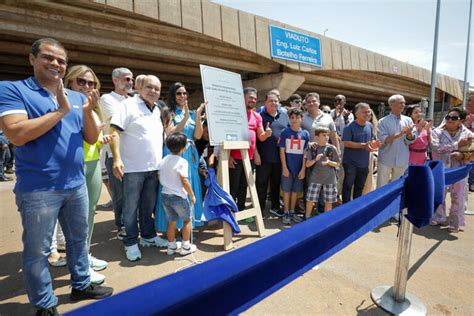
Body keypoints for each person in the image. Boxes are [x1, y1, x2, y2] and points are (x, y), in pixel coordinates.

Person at [0, 37, 112, 315]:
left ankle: (82, 284)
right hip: (39, 189)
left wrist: (86, 112)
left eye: (61, 60)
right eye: (48, 57)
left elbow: (91, 138)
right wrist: (61, 111)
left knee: (77, 240)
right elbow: (16, 134)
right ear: (32, 59)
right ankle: (45, 303)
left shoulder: (77, 97)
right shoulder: (13, 90)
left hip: (76, 184)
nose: (56, 64)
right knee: (37, 251)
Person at [64, 64, 115, 284]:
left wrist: (100, 140)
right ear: (70, 83)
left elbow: (90, 138)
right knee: (75, 216)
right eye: (81, 81)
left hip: (92, 163)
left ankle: (84, 255)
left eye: (91, 83)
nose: (86, 86)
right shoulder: (64, 103)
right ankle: (78, 263)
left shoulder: (93, 108)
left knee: (89, 212)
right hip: (72, 165)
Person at [109, 75, 167, 262]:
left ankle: (148, 236)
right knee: (130, 208)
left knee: (148, 205)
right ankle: (131, 242)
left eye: (157, 89)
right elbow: (114, 131)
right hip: (132, 168)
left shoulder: (157, 109)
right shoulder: (128, 105)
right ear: (140, 87)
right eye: (149, 87)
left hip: (153, 168)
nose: (153, 91)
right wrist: (117, 158)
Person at [155, 82, 205, 232]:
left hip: (189, 152)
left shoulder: (190, 112)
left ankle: (187, 226)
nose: (182, 96)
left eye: (184, 93)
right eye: (179, 93)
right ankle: (171, 227)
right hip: (173, 153)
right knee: (174, 186)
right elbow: (170, 133)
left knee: (189, 184)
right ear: (173, 95)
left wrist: (196, 117)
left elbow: (197, 135)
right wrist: (185, 119)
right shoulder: (168, 111)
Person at [100, 67, 134, 240]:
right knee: (119, 194)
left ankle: (133, 223)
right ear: (115, 80)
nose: (130, 82)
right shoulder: (107, 99)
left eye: (131, 79)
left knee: (133, 193)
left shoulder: (135, 99)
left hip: (135, 156)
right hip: (116, 156)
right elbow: (119, 122)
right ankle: (121, 225)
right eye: (126, 79)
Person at [431, 108, 473, 233]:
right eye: (448, 117)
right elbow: (436, 148)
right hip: (441, 168)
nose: (450, 120)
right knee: (439, 193)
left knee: (458, 196)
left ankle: (455, 222)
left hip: (460, 169)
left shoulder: (468, 134)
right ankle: (438, 217)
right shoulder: (437, 132)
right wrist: (457, 145)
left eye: (454, 118)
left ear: (461, 121)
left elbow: (472, 152)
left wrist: (462, 156)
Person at [228, 87, 269, 212]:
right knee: (232, 187)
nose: (253, 100)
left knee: (244, 186)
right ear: (243, 97)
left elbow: (261, 137)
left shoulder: (257, 116)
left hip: (249, 158)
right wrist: (228, 156)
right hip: (234, 157)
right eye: (250, 97)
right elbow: (227, 134)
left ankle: (240, 210)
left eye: (255, 98)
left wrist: (267, 134)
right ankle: (230, 212)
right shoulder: (234, 113)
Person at [157, 132, 198, 256]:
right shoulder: (182, 162)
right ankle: (185, 246)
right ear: (184, 148)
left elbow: (158, 176)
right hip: (179, 196)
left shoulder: (163, 161)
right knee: (187, 220)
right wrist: (192, 195)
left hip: (165, 195)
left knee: (171, 222)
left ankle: (171, 246)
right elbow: (184, 180)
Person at [256, 91, 289, 217]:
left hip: (280, 158)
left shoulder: (284, 115)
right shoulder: (260, 116)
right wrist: (257, 154)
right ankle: (260, 209)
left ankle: (275, 207)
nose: (274, 103)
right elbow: (254, 136)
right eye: (271, 101)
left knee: (276, 184)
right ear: (265, 103)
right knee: (261, 184)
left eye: (276, 101)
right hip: (264, 158)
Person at [341, 103, 379, 203]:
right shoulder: (349, 127)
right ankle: (345, 207)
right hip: (350, 163)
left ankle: (355, 206)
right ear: (356, 114)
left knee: (359, 186)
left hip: (364, 163)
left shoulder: (370, 126)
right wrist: (363, 145)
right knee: (348, 186)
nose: (367, 114)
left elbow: (371, 141)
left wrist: (373, 146)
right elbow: (347, 143)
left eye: (368, 111)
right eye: (364, 112)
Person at [376, 94, 417, 189]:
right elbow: (384, 139)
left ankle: (395, 204)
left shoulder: (408, 120)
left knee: (398, 186)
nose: (403, 105)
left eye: (404, 103)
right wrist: (401, 133)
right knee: (381, 186)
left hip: (402, 159)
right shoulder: (382, 121)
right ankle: (380, 203)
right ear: (391, 104)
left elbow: (411, 140)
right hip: (386, 159)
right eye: (400, 103)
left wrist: (409, 134)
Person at [278, 108, 309, 225]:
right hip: (288, 167)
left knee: (295, 191)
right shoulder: (285, 132)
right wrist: (284, 167)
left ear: (302, 118)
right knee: (286, 191)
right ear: (289, 119)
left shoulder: (305, 134)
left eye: (297, 117)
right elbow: (281, 151)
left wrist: (303, 169)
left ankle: (292, 211)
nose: (294, 120)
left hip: (299, 168)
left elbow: (305, 153)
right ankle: (286, 212)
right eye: (292, 117)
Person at [305, 127, 340, 218]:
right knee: (310, 199)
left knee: (328, 201)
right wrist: (315, 159)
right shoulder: (313, 148)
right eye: (323, 135)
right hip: (315, 178)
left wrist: (329, 162)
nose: (326, 137)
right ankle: (307, 217)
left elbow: (337, 163)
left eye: (327, 135)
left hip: (330, 179)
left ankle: (326, 220)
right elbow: (307, 164)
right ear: (317, 137)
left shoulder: (332, 148)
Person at [362, 108, 378, 195]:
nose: (368, 115)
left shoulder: (375, 128)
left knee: (370, 178)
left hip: (372, 156)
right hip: (360, 155)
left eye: (370, 114)